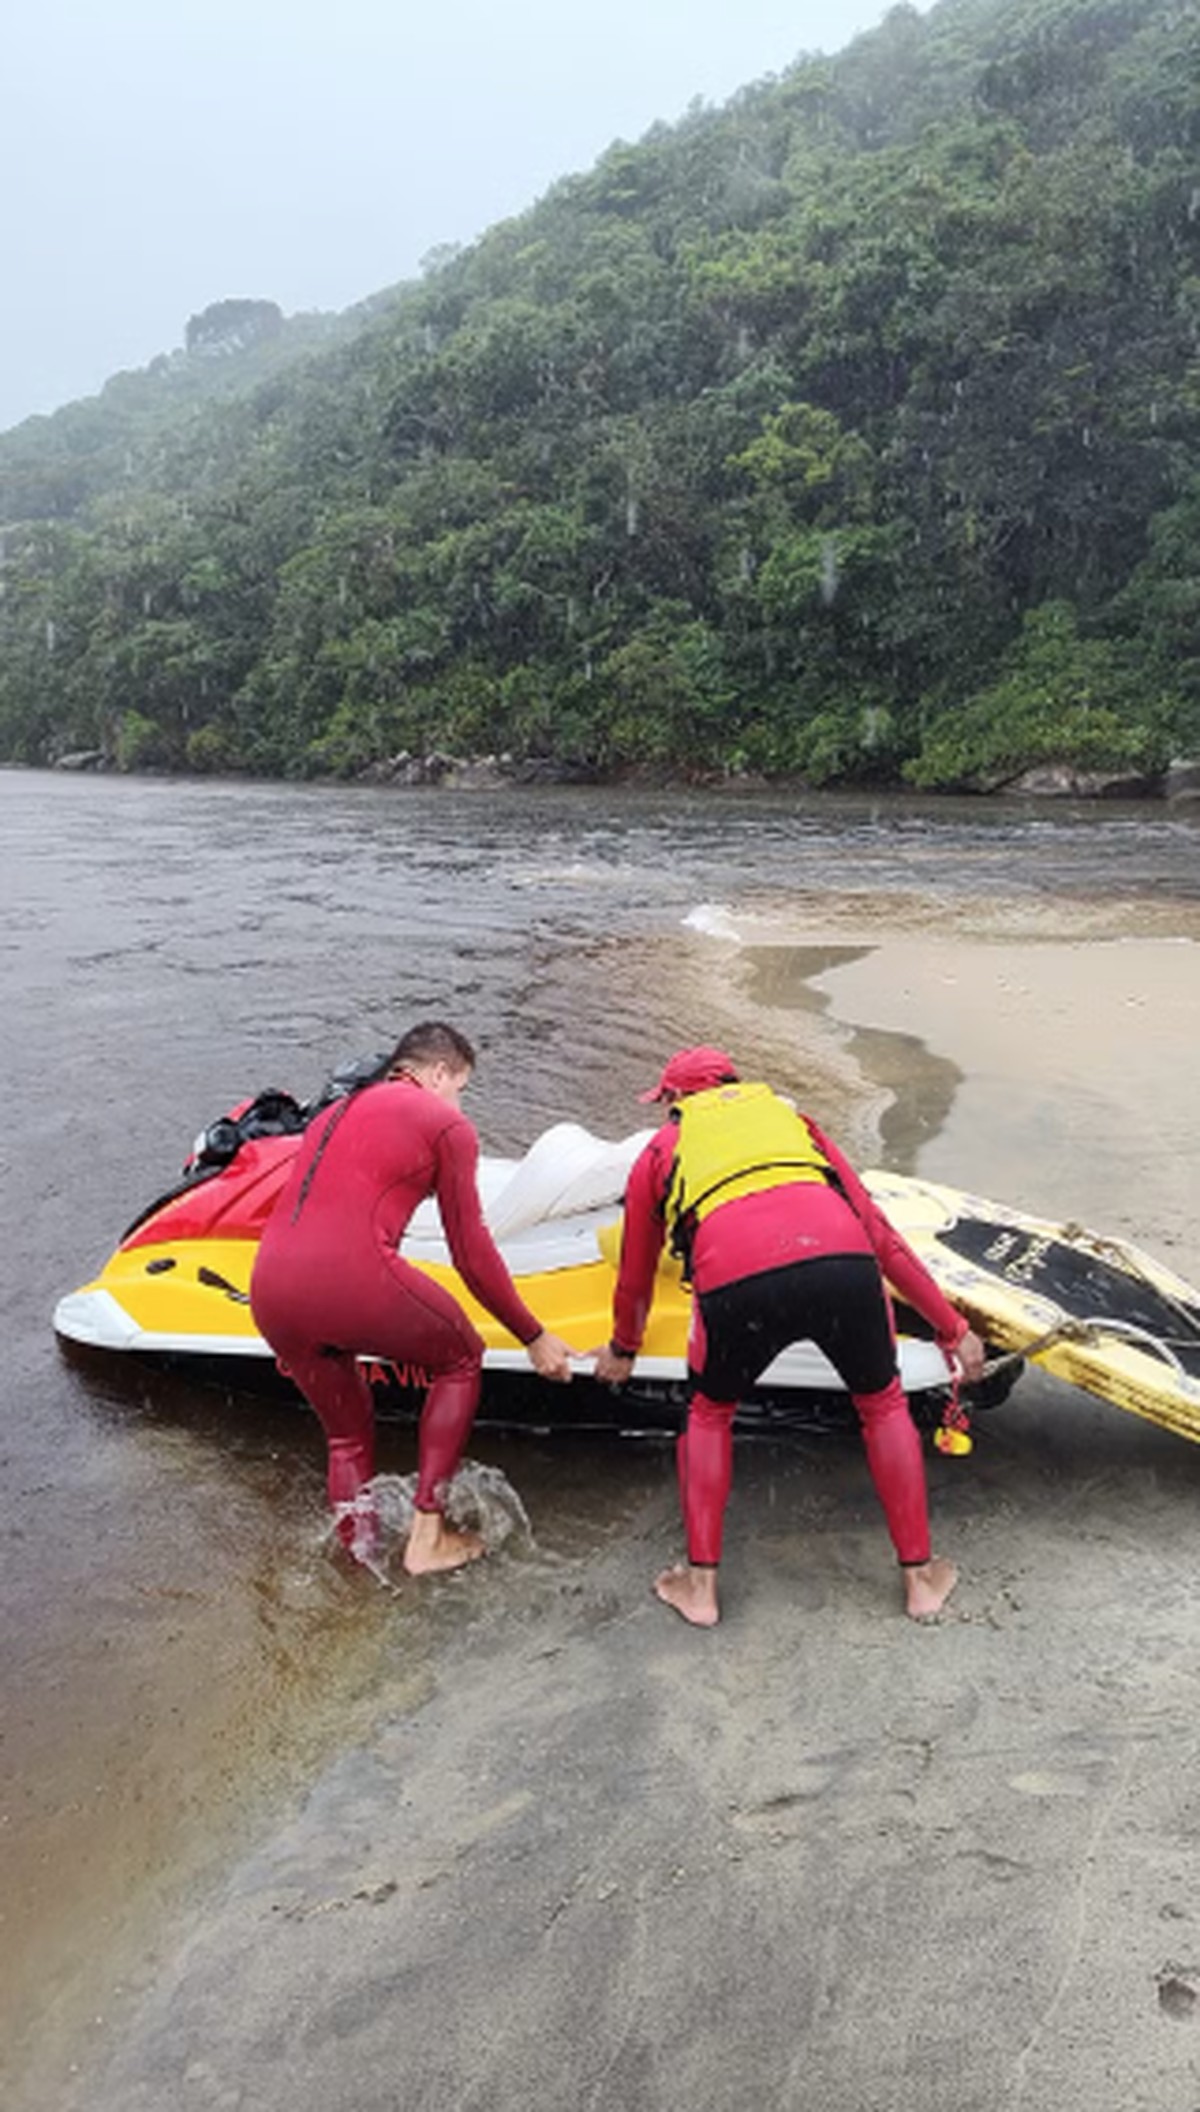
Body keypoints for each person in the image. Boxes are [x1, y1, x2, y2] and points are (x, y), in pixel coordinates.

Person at [592, 1046, 986, 1626]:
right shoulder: (795, 1122)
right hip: (842, 1265)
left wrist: (624, 1349)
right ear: (733, 1084)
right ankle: (921, 1582)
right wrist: (953, 1329)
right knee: (881, 1404)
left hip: (738, 1284)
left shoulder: (662, 1148)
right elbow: (879, 1234)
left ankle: (700, 1590)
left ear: (674, 1099)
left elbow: (636, 1273)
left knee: (710, 1413)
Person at [251, 1021, 574, 1574]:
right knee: (461, 1357)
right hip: (350, 1280)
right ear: (438, 1072)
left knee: (347, 1438)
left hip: (270, 1289)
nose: (460, 1104)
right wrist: (533, 1335)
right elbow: (470, 1253)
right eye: (460, 1088)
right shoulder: (445, 1123)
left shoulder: (331, 1114)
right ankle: (427, 1535)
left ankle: (359, 1567)